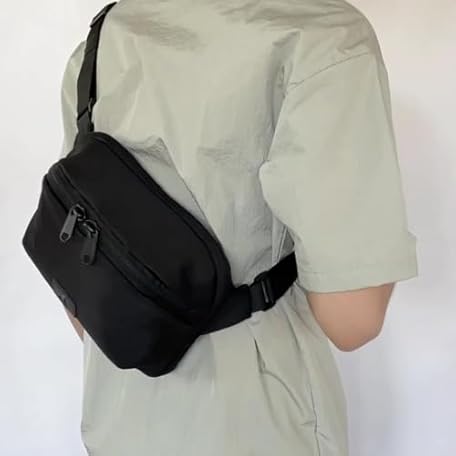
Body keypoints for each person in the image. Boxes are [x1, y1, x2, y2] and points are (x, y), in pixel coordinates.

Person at [60, 0, 418, 455]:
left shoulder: (99, 42)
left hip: (119, 417)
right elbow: (353, 321)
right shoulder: (323, 35)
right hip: (256, 422)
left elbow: (79, 271)